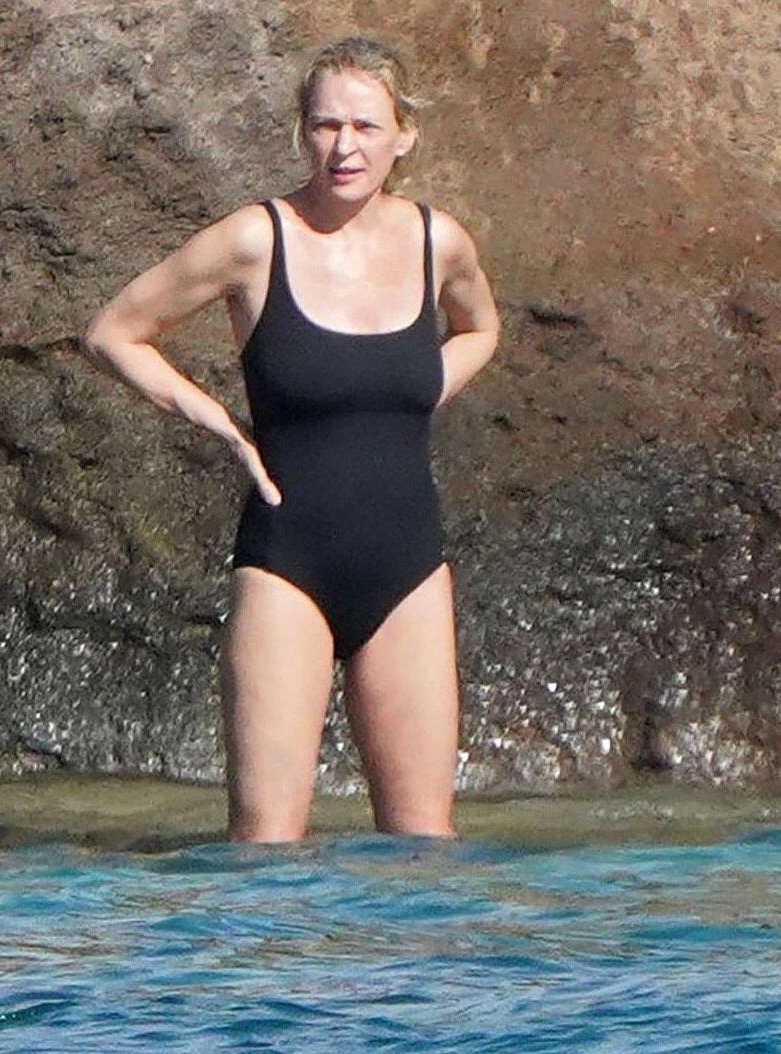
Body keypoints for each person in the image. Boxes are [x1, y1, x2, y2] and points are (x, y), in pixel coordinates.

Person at [84, 38, 500, 842]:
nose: (345, 147)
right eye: (326, 126)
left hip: (411, 568)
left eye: (366, 127)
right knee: (265, 847)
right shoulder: (256, 239)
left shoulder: (437, 241)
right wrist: (211, 416)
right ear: (302, 132)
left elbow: (482, 328)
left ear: (404, 135)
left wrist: (419, 391)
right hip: (286, 565)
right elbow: (113, 331)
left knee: (425, 848)